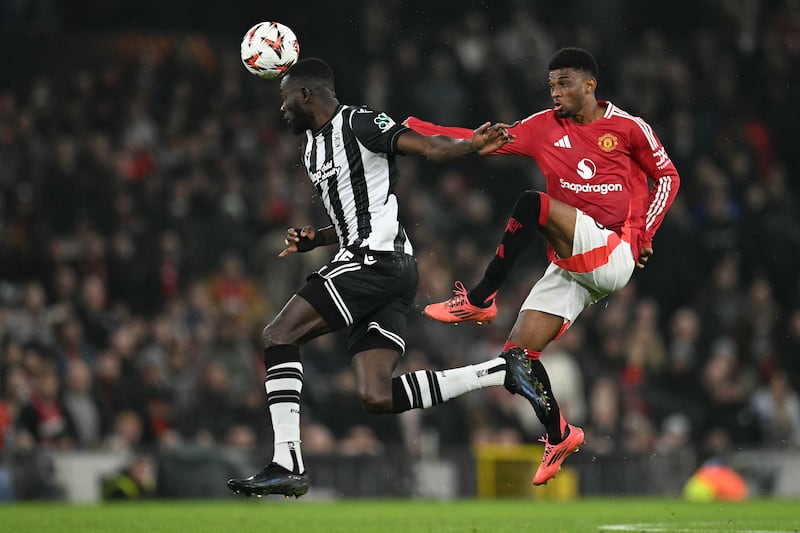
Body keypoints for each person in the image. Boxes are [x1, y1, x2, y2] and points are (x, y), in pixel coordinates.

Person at [226, 57, 551, 498]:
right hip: (381, 267)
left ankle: (287, 460)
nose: (281, 109)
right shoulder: (310, 149)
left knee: (278, 335)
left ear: (305, 95)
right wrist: (315, 238)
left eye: (285, 99)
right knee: (375, 396)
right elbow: (353, 215)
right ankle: (500, 371)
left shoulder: (359, 122)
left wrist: (472, 145)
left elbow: (428, 147)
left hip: (374, 260)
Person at [406, 47, 681, 485]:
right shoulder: (542, 127)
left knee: (533, 203)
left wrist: (644, 234)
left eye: (565, 83)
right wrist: (412, 129)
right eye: (551, 84)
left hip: (613, 249)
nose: (555, 92)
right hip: (571, 264)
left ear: (590, 85)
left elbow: (667, 176)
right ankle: (559, 433)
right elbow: (478, 139)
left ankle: (479, 298)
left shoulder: (628, 128)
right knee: (518, 357)